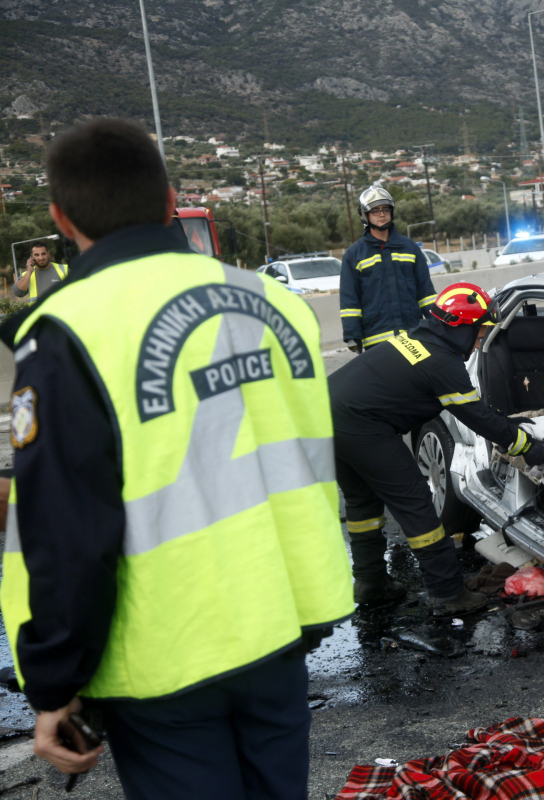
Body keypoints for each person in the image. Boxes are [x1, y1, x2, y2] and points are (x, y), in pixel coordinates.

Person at [0, 118, 353, 797]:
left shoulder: (69, 331)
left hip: (166, 653)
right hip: (282, 620)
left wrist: (54, 680)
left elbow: (67, 531)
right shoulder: (269, 301)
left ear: (59, 218)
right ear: (170, 204)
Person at [328, 282, 544, 611]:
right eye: (478, 332)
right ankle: (447, 593)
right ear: (461, 328)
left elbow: (475, 411)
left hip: (324, 416)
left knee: (362, 504)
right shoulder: (442, 363)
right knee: (416, 505)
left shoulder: (419, 340)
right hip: (364, 427)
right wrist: (525, 445)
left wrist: (504, 424)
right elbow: (476, 416)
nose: (479, 341)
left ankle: (369, 583)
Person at [340, 185, 437, 351]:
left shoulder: (410, 248)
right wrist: (352, 336)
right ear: (365, 215)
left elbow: (426, 293)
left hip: (413, 335)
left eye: (385, 209)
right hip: (376, 341)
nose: (382, 214)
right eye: (375, 210)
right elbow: (350, 301)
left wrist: (437, 324)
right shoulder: (353, 255)